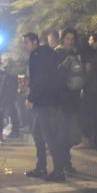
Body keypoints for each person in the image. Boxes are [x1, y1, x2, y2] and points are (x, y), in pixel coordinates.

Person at [23, 32, 68, 181]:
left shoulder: (38, 56)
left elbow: (41, 79)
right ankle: (41, 166)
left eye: (26, 43)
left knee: (49, 136)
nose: (25, 46)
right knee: (38, 134)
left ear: (35, 42)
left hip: (45, 102)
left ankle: (58, 171)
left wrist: (31, 98)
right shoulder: (48, 54)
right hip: (49, 101)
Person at [57, 28, 84, 172]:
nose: (70, 41)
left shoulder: (76, 55)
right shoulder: (58, 54)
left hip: (73, 99)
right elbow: (54, 74)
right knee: (61, 133)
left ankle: (66, 162)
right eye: (67, 38)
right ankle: (62, 163)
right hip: (61, 99)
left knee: (70, 133)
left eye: (72, 39)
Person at [0, 54, 21, 141]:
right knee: (2, 113)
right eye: (2, 59)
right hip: (3, 94)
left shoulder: (10, 70)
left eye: (4, 59)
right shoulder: (1, 70)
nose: (2, 61)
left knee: (11, 112)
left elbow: (12, 82)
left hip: (8, 95)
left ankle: (14, 131)